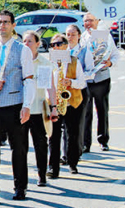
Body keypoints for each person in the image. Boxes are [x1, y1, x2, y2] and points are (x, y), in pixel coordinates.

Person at [0, 10, 35, 204]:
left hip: (15, 104)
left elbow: (28, 80)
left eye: (6, 22)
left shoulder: (23, 50)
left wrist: (27, 106)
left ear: (13, 26)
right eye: (0, 22)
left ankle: (20, 187)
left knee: (18, 149)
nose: (2, 26)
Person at [49, 33, 87, 177]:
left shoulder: (74, 61)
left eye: (58, 44)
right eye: (53, 45)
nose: (55, 47)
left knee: (73, 134)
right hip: (55, 102)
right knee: (53, 136)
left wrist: (70, 82)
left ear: (66, 46)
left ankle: (72, 163)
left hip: (71, 101)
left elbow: (82, 82)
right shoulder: (50, 62)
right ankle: (53, 167)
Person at [23, 30, 57, 186]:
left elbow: (50, 87)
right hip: (22, 109)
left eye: (30, 41)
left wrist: (54, 107)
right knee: (20, 146)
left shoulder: (44, 63)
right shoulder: (20, 61)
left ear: (38, 44)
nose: (26, 44)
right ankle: (21, 178)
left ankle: (42, 174)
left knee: (40, 144)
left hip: (38, 108)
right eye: (24, 41)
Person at [81, 13, 118, 152]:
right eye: (86, 21)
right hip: (86, 80)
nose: (88, 23)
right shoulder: (81, 37)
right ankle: (86, 143)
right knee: (86, 112)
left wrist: (110, 63)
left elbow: (115, 54)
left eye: (91, 20)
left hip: (102, 78)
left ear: (97, 21)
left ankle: (103, 140)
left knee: (102, 110)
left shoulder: (105, 35)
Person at [64, 24, 94, 162]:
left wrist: (76, 78)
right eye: (68, 34)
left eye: (73, 34)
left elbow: (91, 72)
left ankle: (77, 151)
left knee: (77, 124)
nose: (70, 37)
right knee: (64, 124)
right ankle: (66, 154)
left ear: (79, 36)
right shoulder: (62, 51)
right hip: (64, 91)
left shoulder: (84, 51)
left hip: (79, 90)